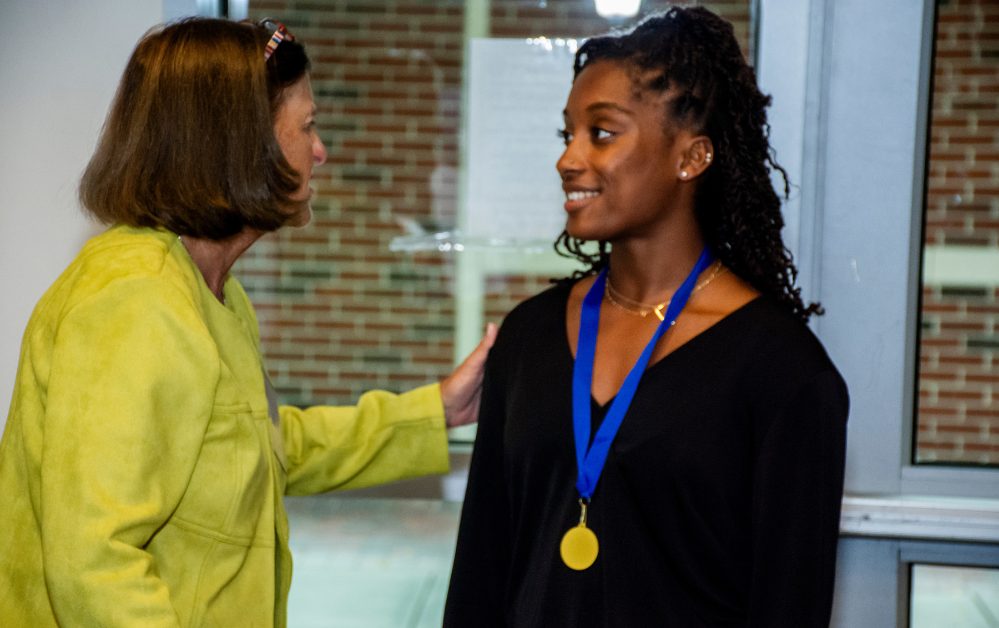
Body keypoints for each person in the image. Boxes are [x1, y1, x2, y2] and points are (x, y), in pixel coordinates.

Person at [0, 17, 496, 628]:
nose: (321, 149)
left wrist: (436, 412)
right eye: (307, 126)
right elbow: (93, 564)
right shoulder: (135, 301)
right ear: (242, 142)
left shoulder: (211, 291)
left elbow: (262, 448)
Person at [444, 7, 848, 627]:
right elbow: (481, 574)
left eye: (602, 133)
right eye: (568, 134)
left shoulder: (783, 372)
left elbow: (788, 604)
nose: (568, 158)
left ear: (692, 156)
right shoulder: (528, 338)